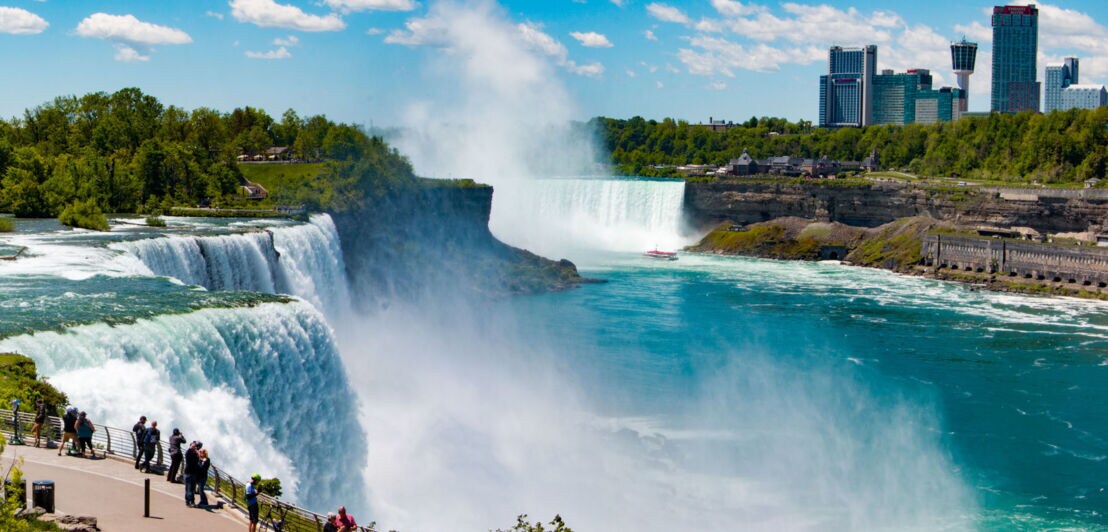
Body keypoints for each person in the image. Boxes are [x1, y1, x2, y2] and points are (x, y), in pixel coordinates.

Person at [183, 441, 199, 507]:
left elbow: (199, 459)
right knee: (188, 489)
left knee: (192, 489)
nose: (194, 447)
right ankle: (187, 502)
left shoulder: (195, 454)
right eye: (193, 446)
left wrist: (197, 452)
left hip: (194, 473)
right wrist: (192, 448)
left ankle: (192, 501)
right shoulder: (188, 452)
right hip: (188, 473)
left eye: (195, 446)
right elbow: (188, 454)